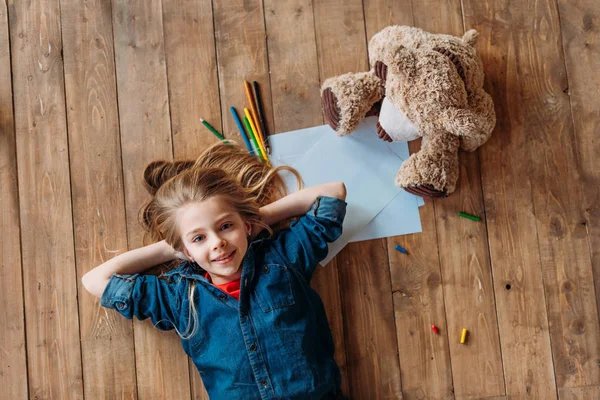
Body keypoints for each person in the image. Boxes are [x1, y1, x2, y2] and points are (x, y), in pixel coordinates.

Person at [81, 141, 348, 399]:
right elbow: (94, 280)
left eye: (225, 226)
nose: (218, 242)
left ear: (245, 225)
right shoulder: (180, 300)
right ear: (186, 251)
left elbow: (333, 193)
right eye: (199, 238)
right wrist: (169, 249)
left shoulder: (283, 258)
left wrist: (252, 219)